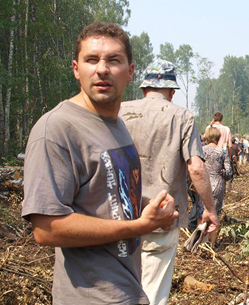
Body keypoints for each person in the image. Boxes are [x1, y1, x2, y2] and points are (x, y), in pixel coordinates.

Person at [21, 22, 178, 305]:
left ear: (130, 72)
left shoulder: (115, 125)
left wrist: (149, 208)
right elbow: (46, 228)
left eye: (114, 60)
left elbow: (109, 196)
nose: (102, 69)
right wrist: (140, 226)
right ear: (76, 69)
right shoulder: (57, 130)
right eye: (91, 60)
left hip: (127, 288)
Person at [119, 59, 219, 305]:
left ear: (143, 88)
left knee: (119, 289)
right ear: (172, 91)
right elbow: (196, 167)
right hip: (161, 218)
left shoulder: (118, 111)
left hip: (118, 219)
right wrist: (209, 209)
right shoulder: (181, 116)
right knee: (152, 292)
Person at [195, 127, 232, 246]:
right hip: (217, 184)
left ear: (206, 137)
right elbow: (229, 173)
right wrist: (222, 172)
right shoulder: (222, 152)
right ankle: (211, 245)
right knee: (214, 213)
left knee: (201, 213)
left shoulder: (201, 150)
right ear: (218, 138)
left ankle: (200, 243)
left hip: (202, 183)